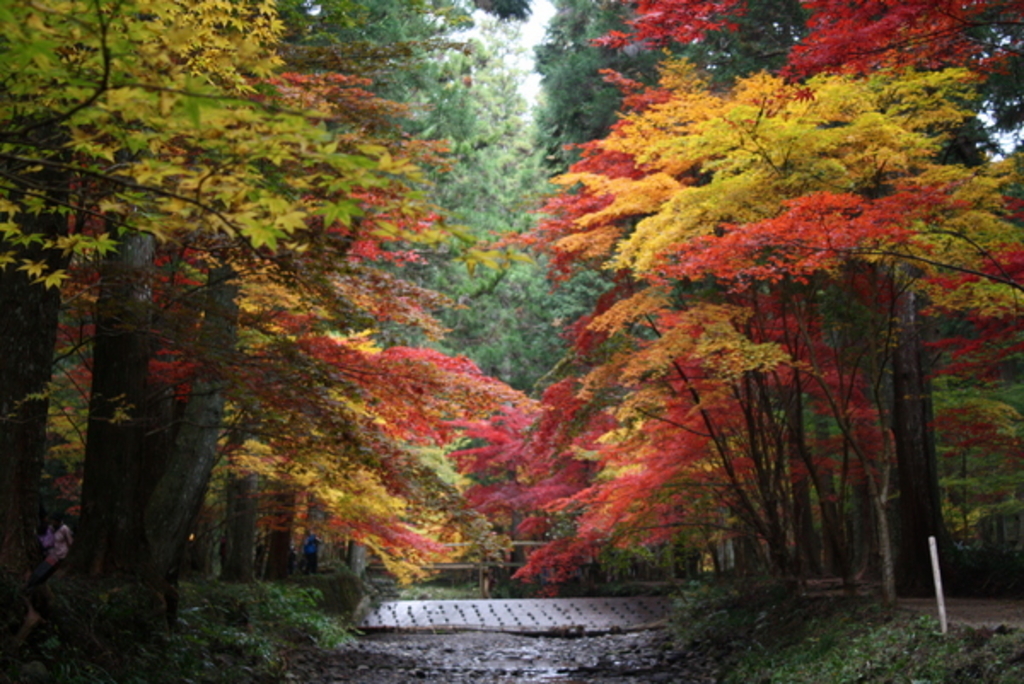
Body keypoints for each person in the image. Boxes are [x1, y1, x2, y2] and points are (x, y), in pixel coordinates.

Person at [25, 514, 73, 591]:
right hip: (52, 553)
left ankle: (34, 584)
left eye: (55, 520)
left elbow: (70, 541)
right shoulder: (50, 528)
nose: (53, 522)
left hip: (61, 554)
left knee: (48, 570)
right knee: (43, 569)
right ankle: (32, 584)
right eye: (52, 520)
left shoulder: (65, 529)